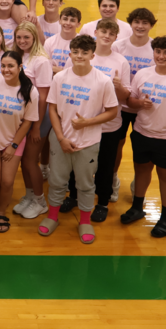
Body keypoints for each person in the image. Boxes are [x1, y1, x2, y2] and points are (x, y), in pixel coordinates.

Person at [41, 35, 119, 244]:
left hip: (88, 143)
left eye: (85, 52)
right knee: (57, 181)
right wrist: (60, 137)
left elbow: (112, 111)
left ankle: (85, 221)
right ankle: (52, 216)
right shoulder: (59, 78)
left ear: (92, 55)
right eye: (75, 52)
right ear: (70, 54)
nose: (79, 56)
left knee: (85, 184)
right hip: (60, 140)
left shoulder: (103, 81)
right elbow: (52, 108)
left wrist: (87, 122)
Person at [121, 36, 166, 237]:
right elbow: (131, 101)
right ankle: (137, 208)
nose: (161, 56)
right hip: (142, 132)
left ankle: (165, 218)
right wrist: (139, 104)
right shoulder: (142, 74)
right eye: (158, 52)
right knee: (141, 171)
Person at [0, 53, 37, 234]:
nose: (6, 70)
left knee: (7, 181)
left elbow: (27, 121)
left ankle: (1, 213)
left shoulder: (30, 90)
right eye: (3, 65)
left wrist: (13, 146)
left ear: (20, 67)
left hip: (14, 141)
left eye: (10, 66)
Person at [80, 20, 131, 222]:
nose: (107, 36)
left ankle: (102, 202)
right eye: (103, 31)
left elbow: (125, 96)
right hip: (84, 122)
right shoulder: (85, 55)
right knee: (80, 163)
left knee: (105, 166)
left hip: (109, 125)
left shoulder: (121, 62)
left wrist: (119, 87)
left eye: (111, 33)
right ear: (95, 32)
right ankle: (75, 196)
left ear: (116, 37)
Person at [111, 7, 157, 198]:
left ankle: (138, 185)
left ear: (151, 25)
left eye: (145, 23)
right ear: (130, 24)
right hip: (121, 105)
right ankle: (113, 178)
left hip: (143, 107)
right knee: (117, 145)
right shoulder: (118, 46)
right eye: (137, 22)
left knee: (143, 150)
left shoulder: (155, 48)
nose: (140, 26)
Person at [11, 22, 51, 220]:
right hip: (23, 117)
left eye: (26, 37)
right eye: (19, 37)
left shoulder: (41, 61)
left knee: (30, 161)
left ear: (34, 38)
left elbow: (43, 97)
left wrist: (36, 126)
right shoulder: (18, 57)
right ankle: (29, 196)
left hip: (39, 118)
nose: (22, 41)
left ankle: (40, 201)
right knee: (23, 161)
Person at [43, 6, 81, 74]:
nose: (68, 23)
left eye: (72, 20)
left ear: (78, 24)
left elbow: (79, 71)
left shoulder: (82, 44)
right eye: (65, 19)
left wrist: (56, 70)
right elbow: (45, 67)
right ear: (59, 21)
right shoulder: (49, 42)